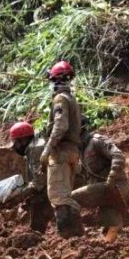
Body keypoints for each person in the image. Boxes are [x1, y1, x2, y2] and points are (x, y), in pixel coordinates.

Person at [40, 61, 83, 238]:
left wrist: (48, 148)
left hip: (61, 152)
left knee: (58, 196)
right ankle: (77, 235)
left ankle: (66, 236)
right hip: (73, 151)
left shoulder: (60, 99)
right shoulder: (72, 100)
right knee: (67, 195)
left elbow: (60, 125)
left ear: (56, 80)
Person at [72, 120, 129, 242]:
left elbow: (118, 155)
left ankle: (76, 236)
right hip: (104, 190)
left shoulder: (96, 141)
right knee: (109, 228)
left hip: (114, 187)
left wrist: (112, 177)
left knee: (70, 198)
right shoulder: (80, 150)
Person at [9, 121, 55, 232]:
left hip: (57, 184)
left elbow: (39, 182)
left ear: (23, 140)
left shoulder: (36, 149)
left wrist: (19, 196)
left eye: (16, 142)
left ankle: (37, 234)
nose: (15, 146)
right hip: (53, 182)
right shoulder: (33, 147)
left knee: (37, 201)